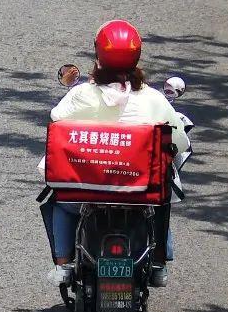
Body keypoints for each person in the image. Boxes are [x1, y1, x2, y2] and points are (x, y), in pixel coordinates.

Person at [47, 20, 190, 287]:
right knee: (163, 198)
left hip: (85, 193)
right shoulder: (154, 99)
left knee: (55, 199)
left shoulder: (81, 95)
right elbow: (179, 141)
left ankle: (63, 264)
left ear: (98, 54)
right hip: (140, 194)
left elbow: (56, 121)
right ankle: (159, 262)